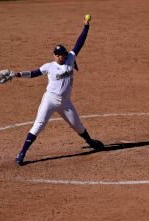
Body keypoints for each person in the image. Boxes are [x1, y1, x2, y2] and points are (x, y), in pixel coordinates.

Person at [13, 16, 104, 166]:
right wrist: (18, 74)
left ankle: (91, 142)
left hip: (66, 102)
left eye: (62, 54)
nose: (60, 56)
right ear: (54, 55)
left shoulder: (70, 57)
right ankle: (22, 153)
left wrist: (86, 26)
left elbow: (80, 42)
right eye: (57, 54)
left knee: (78, 126)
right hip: (50, 100)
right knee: (39, 125)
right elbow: (33, 73)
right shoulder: (49, 66)